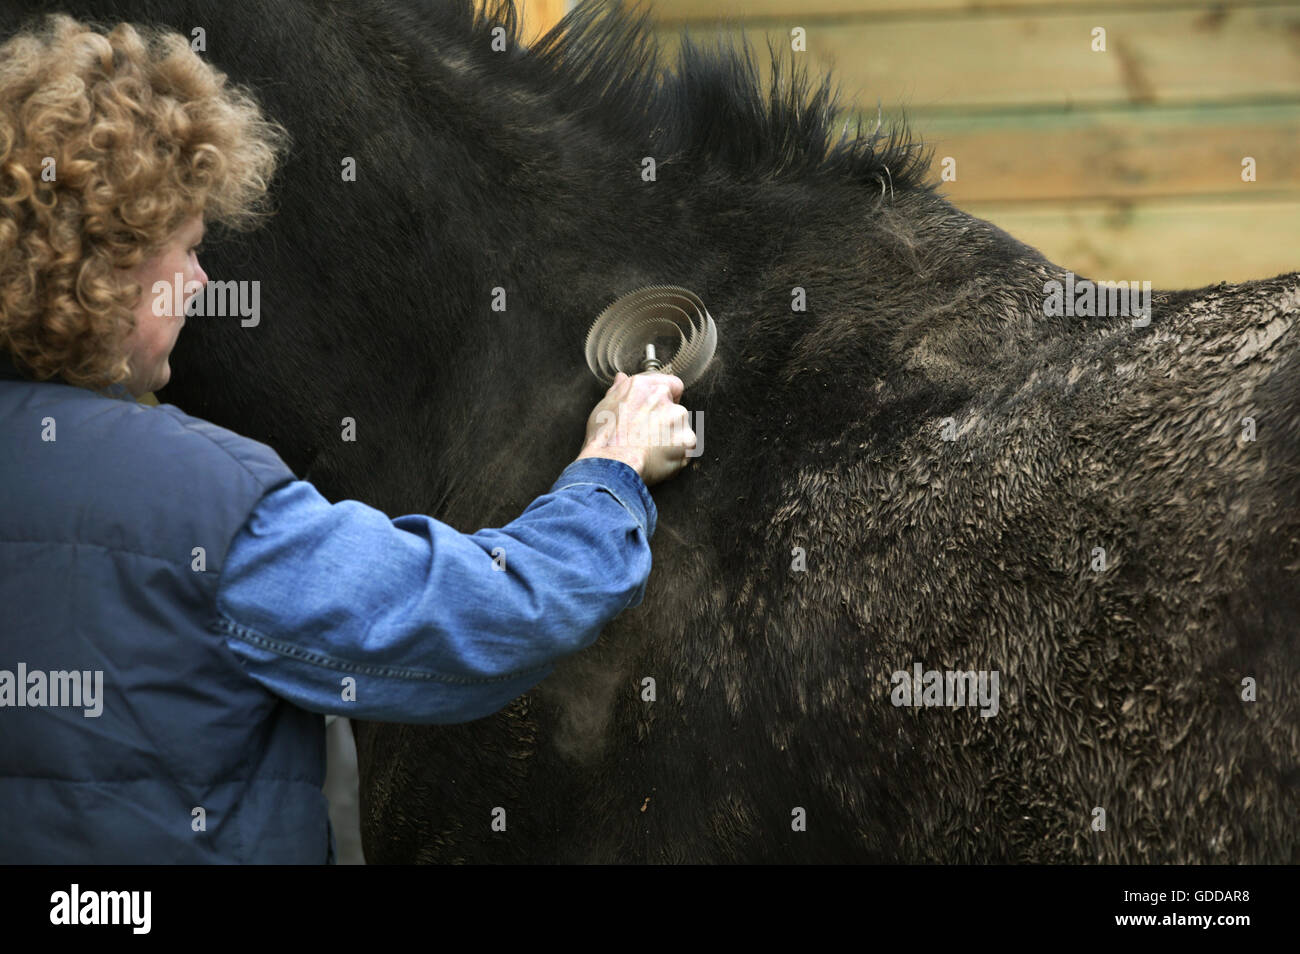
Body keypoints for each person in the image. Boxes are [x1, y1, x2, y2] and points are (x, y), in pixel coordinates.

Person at [0, 15, 695, 863]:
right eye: (185, 249)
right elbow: (476, 622)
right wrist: (611, 472)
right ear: (109, 269)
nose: (203, 280)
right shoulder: (204, 508)